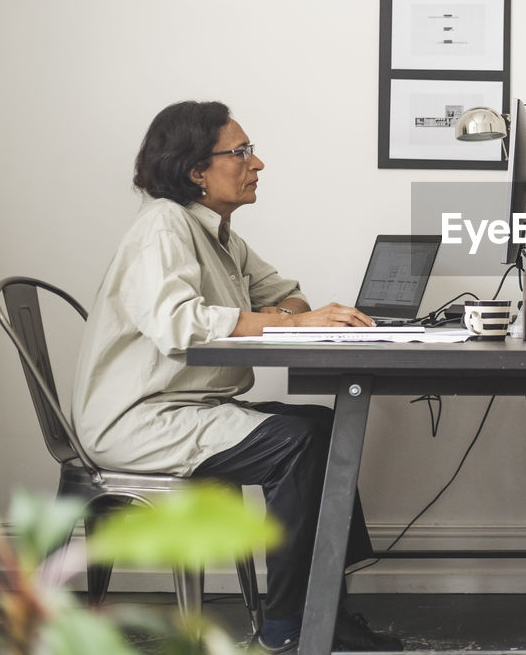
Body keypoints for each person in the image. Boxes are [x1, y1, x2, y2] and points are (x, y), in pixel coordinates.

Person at [71, 101, 401, 653]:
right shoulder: (163, 227)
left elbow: (285, 293)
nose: (258, 163)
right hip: (143, 418)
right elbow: (179, 324)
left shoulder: (220, 234)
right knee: (299, 442)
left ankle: (323, 609)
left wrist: (290, 315)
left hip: (191, 408)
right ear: (196, 170)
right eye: (241, 152)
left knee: (321, 427)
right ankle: (291, 625)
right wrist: (288, 320)